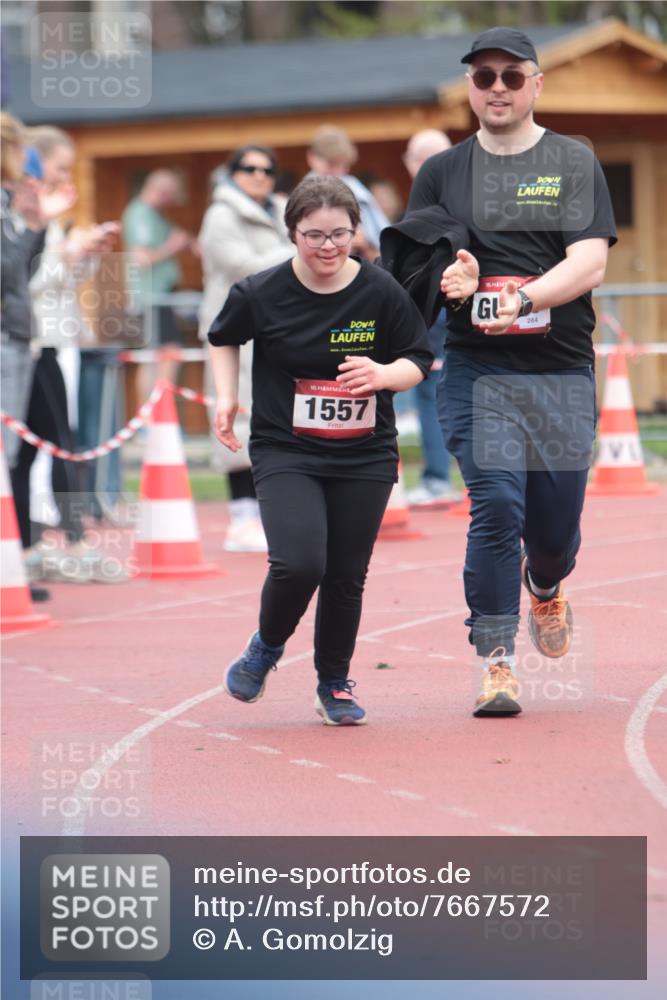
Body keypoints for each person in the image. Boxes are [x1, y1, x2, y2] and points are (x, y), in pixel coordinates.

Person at [407, 27, 616, 717]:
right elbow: (419, 263)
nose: (496, 88)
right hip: (477, 370)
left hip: (558, 371)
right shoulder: (441, 172)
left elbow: (589, 261)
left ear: (535, 84)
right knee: (495, 506)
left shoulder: (571, 160)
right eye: (482, 77)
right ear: (468, 88)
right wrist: (451, 275)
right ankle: (495, 659)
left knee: (552, 536)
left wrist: (522, 298)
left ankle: (546, 585)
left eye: (510, 76)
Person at [208, 175, 432, 725]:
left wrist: (383, 373)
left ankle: (333, 682)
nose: (329, 247)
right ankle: (265, 646)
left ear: (357, 232)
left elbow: (418, 360)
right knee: (299, 561)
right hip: (288, 448)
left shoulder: (380, 290)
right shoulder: (260, 291)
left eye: (341, 234)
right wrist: (225, 398)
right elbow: (223, 338)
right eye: (314, 236)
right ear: (291, 234)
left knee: (345, 574)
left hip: (364, 453)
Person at [198, 145, 294, 552]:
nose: (259, 175)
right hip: (232, 330)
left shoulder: (279, 210)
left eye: (267, 169)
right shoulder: (220, 215)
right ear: (233, 172)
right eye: (249, 168)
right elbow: (243, 266)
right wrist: (298, 249)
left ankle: (268, 513)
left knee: (274, 419)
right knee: (236, 416)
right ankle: (240, 516)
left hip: (276, 328)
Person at [0, 113, 49, 601]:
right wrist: (29, 223)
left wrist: (34, 227)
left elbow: (21, 270)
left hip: (13, 334)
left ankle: (8, 565)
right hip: (4, 337)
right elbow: (4, 270)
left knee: (8, 454)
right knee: (3, 454)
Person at [401, 128, 462, 507]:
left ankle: (439, 477)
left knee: (431, 391)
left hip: (437, 309)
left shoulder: (428, 204)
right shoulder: (468, 196)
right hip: (465, 308)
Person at [122, 169, 198, 404]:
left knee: (162, 355)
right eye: (171, 196)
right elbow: (141, 259)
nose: (173, 202)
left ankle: (156, 420)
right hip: (150, 298)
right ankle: (155, 419)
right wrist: (173, 246)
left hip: (162, 297)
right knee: (160, 356)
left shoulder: (156, 216)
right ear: (162, 192)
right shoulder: (139, 214)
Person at [307, 126, 390, 261]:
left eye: (344, 165)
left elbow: (385, 252)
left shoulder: (359, 193)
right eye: (332, 164)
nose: (338, 172)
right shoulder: (300, 199)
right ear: (312, 157)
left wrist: (364, 244)